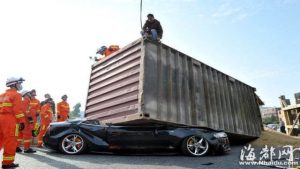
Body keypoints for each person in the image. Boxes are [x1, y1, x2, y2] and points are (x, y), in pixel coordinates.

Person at [0, 77, 26, 168]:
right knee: (10, 141)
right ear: (14, 84)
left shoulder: (2, 95)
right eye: (19, 83)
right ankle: (7, 163)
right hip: (10, 120)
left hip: (1, 118)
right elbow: (17, 110)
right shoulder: (17, 95)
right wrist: (22, 121)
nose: (20, 85)